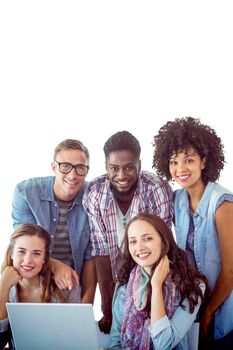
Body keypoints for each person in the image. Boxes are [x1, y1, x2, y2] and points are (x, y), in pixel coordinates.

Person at [152, 116, 233, 349]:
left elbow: (230, 269)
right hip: (195, 304)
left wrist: (209, 310)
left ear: (204, 161)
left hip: (224, 306)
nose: (180, 169)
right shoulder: (177, 200)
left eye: (188, 160)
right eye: (174, 162)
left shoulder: (222, 204)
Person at [83, 131, 173, 333]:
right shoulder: (95, 193)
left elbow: (163, 247)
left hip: (152, 273)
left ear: (139, 165)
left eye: (129, 167)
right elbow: (101, 251)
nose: (121, 175)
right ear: (106, 166)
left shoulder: (156, 189)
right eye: (114, 168)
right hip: (115, 275)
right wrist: (107, 308)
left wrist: (150, 299)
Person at [12, 139, 96, 304]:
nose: (72, 175)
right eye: (65, 166)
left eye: (80, 168)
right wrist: (55, 265)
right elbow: (23, 244)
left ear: (86, 171)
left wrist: (86, 304)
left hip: (70, 284)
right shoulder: (26, 193)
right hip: (31, 277)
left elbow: (91, 256)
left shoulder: (94, 197)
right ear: (54, 168)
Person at [109, 213, 208, 349]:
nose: (139, 247)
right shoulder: (124, 286)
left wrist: (156, 287)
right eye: (133, 241)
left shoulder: (192, 286)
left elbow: (164, 344)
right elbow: (115, 343)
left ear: (163, 241)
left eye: (147, 238)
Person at [0, 223, 81, 349]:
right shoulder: (4, 287)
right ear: (11, 253)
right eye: (21, 251)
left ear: (45, 258)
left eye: (36, 253)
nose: (28, 260)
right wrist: (3, 288)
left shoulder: (66, 288)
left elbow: (77, 338)